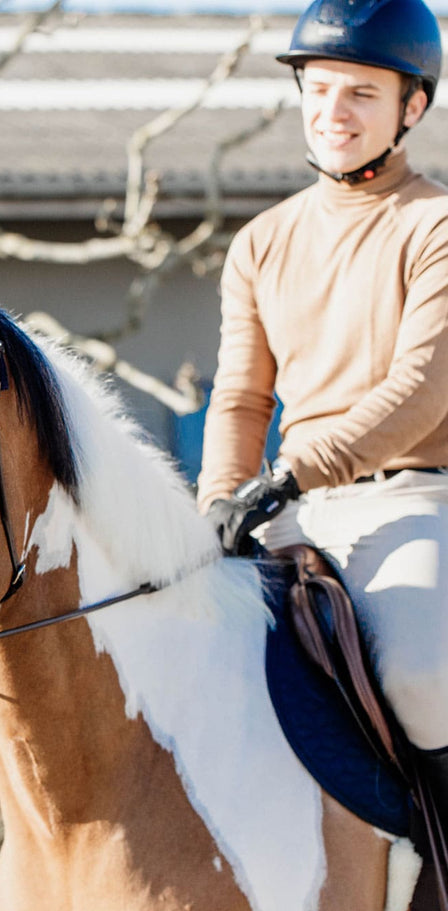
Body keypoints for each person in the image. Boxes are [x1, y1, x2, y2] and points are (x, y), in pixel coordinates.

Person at [196, 0, 448, 820]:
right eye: (320, 88)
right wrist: (218, 503)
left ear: (412, 106)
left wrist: (286, 475)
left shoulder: (435, 225)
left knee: (419, 674)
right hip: (287, 508)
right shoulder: (261, 242)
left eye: (361, 95)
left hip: (412, 498)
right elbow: (239, 398)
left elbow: (421, 388)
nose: (333, 113)